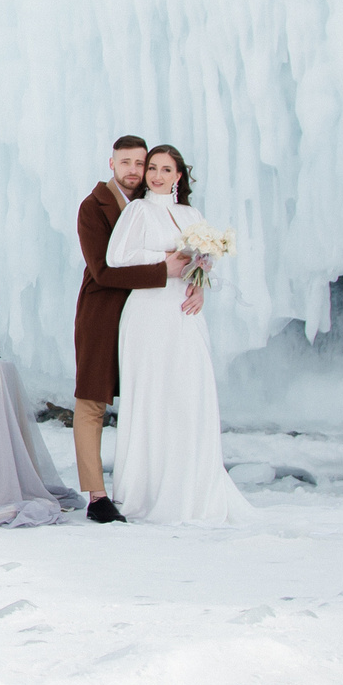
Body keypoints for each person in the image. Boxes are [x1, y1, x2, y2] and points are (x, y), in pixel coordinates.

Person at [103, 145, 256, 525]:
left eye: (165, 169)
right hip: (148, 313)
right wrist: (164, 263)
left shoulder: (192, 215)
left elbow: (201, 262)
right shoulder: (138, 210)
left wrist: (200, 282)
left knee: (189, 393)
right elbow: (115, 258)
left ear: (178, 176)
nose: (155, 176)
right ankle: (146, 490)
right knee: (154, 395)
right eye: (151, 168)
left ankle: (193, 488)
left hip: (184, 313)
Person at [73, 136, 197, 524]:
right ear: (111, 163)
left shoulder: (156, 207)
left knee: (152, 397)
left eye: (140, 163)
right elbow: (103, 270)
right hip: (103, 312)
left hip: (149, 317)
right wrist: (166, 270)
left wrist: (196, 282)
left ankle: (152, 485)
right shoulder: (94, 207)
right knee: (92, 400)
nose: (134, 170)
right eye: (125, 162)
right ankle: (97, 496)